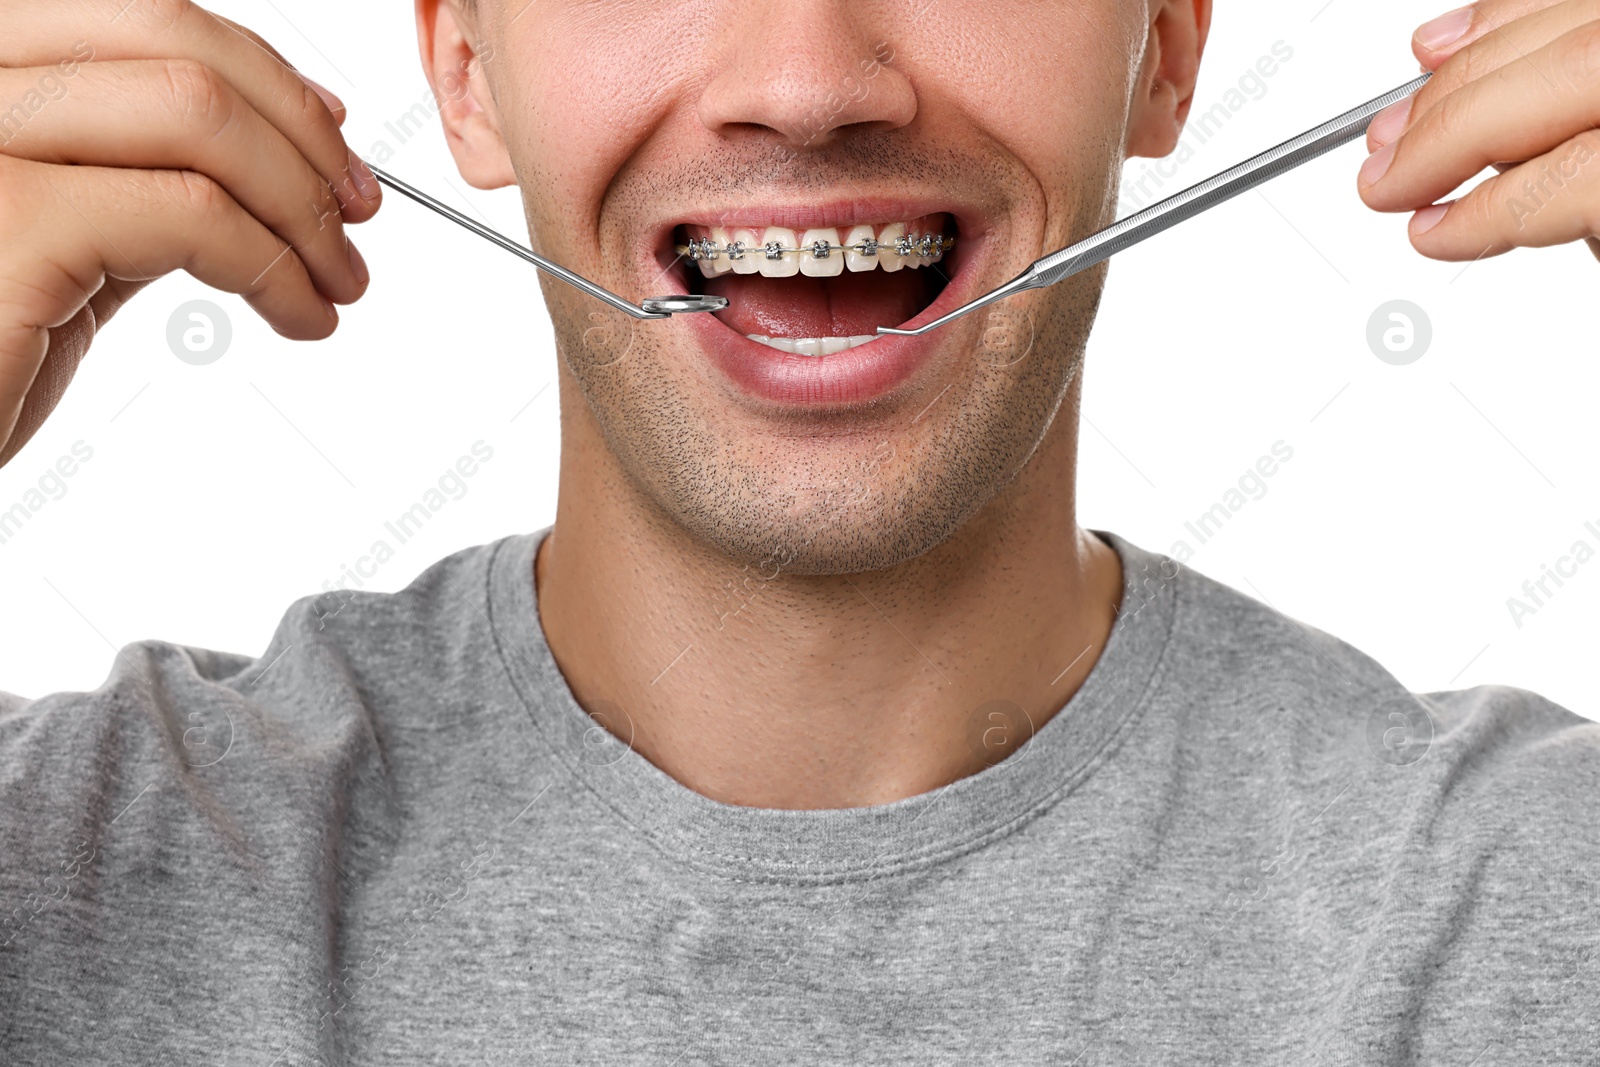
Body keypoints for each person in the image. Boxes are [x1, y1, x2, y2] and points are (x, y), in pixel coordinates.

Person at [1, 0, 1596, 1062]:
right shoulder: (68, 871)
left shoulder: (1517, 908)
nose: (809, 84)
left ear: (1167, 48)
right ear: (468, 70)